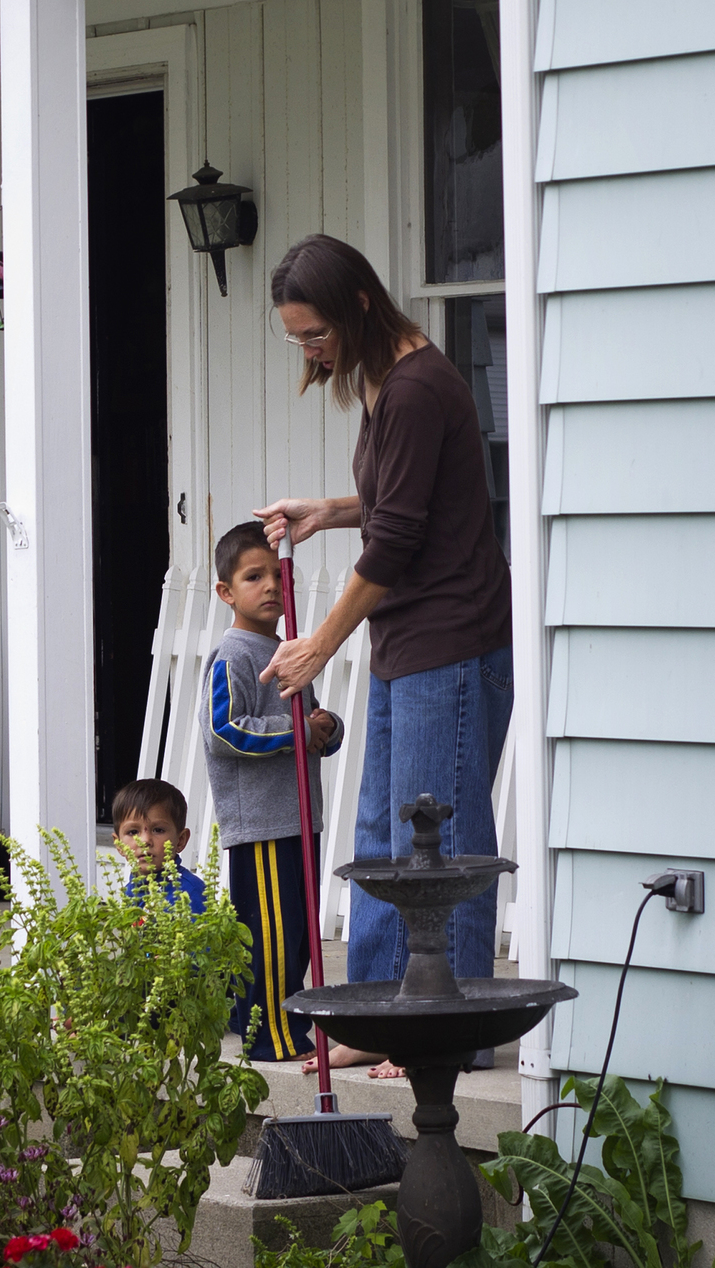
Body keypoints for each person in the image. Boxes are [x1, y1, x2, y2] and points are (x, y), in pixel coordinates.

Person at [254, 233, 513, 1080]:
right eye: (297, 338)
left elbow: (400, 537)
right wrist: (330, 509)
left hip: (454, 642)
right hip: (408, 642)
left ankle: (450, 1026)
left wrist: (316, 645)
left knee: (442, 846)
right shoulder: (381, 380)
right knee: (381, 835)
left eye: (314, 334)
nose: (308, 351)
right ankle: (377, 1010)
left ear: (358, 305)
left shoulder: (416, 385)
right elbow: (402, 497)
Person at [203, 521, 343, 1063]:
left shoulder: (291, 652)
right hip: (261, 824)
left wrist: (324, 728)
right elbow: (222, 730)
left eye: (276, 577)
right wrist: (295, 734)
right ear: (225, 592)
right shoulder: (233, 655)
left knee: (302, 931)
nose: (268, 588)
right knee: (272, 935)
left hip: (300, 817)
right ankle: (271, 1032)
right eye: (253, 577)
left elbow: (308, 725)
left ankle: (251, 1014)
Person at [109, 777, 206, 914]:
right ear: (118, 844)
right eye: (133, 832)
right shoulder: (131, 891)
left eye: (158, 830)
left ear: (180, 840)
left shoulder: (189, 891)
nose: (145, 840)